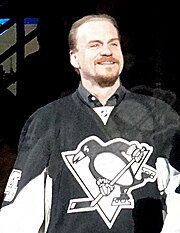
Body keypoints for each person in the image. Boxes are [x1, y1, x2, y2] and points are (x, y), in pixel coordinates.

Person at [0, 14, 180, 233]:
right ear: (74, 59)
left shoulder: (161, 116)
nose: (107, 51)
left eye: (113, 44)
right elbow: (19, 215)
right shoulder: (46, 120)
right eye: (95, 45)